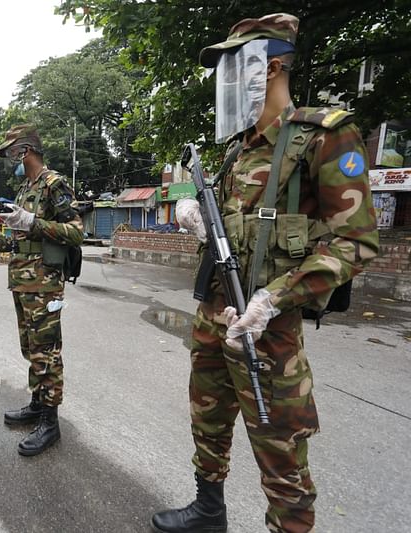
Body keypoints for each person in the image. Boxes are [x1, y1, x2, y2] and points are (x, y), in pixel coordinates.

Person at [151, 14, 378, 533]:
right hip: (213, 317)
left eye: (233, 68)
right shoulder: (237, 149)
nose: (223, 84)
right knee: (206, 425)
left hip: (268, 331)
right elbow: (236, 230)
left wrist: (275, 298)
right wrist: (198, 220)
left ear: (270, 67)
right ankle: (209, 508)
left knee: (281, 455)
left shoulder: (323, 136)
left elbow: (356, 242)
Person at [0, 124, 84, 456]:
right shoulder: (24, 189)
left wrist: (32, 222)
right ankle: (36, 403)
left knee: (47, 353)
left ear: (24, 151)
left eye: (10, 153)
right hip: (22, 280)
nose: (8, 160)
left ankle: (50, 422)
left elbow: (75, 232)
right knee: (31, 349)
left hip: (45, 284)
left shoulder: (53, 184)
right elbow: (20, 235)